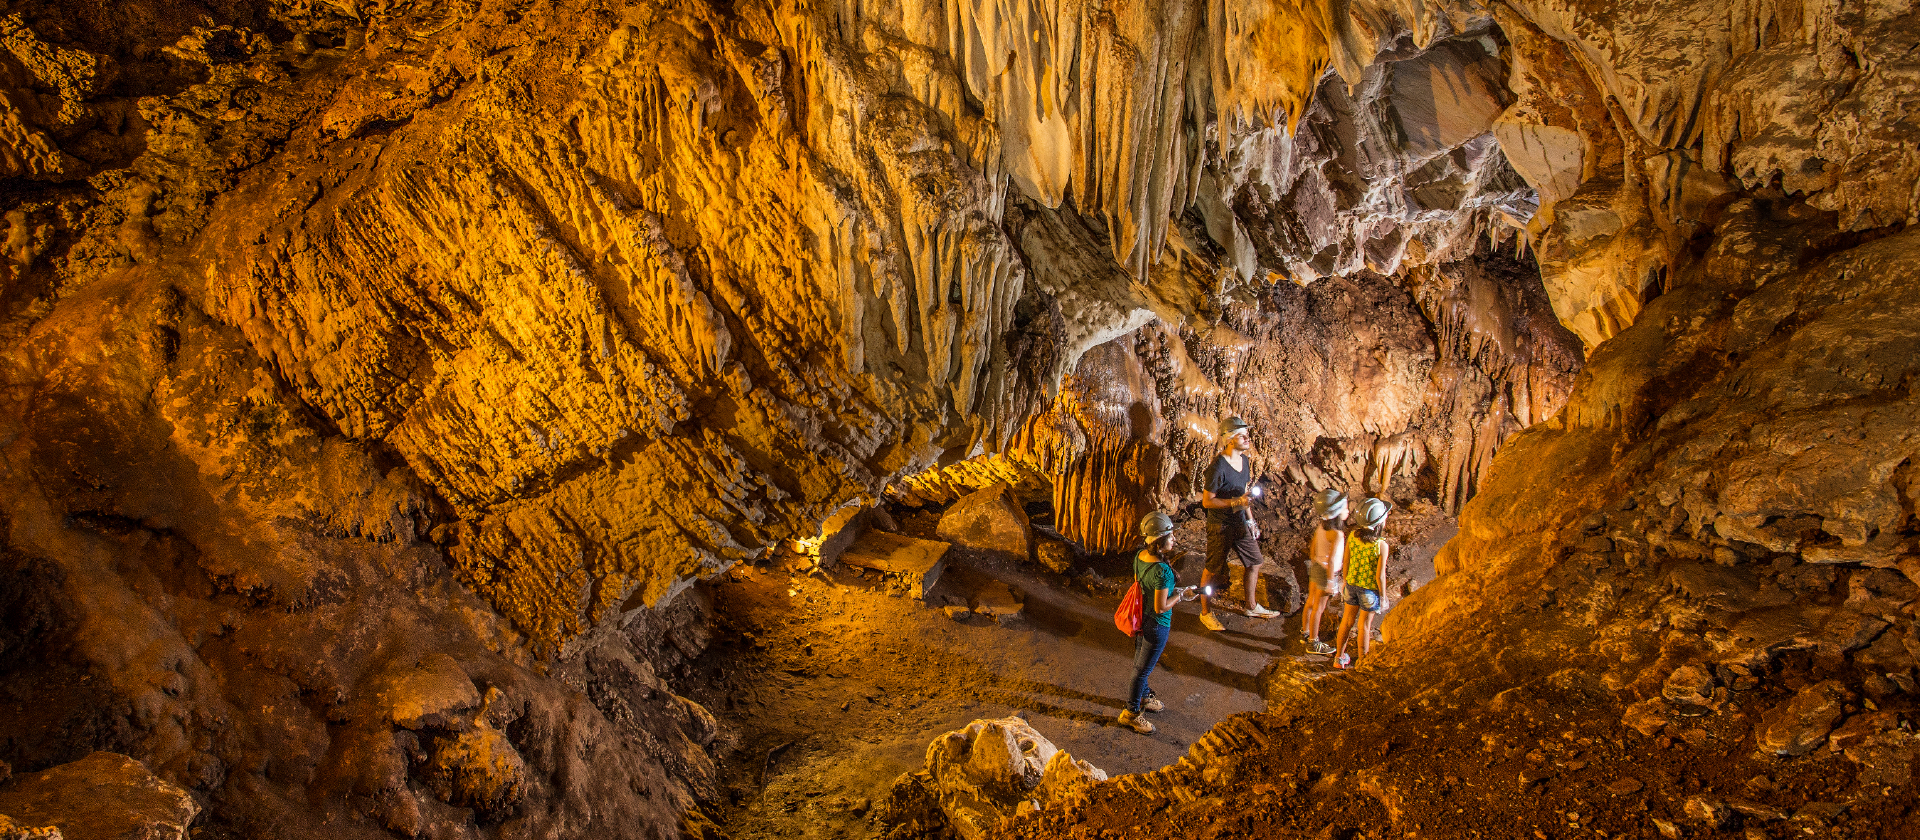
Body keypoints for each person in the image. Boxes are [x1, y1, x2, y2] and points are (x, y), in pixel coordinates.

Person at [1199, 415, 1277, 631]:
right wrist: (1235, 502)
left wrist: (1250, 520)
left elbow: (1244, 494)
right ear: (1230, 439)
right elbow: (1207, 501)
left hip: (1240, 522)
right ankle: (1205, 613)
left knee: (1255, 562)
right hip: (1220, 526)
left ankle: (1251, 606)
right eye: (1242, 435)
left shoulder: (1244, 461)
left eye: (1247, 434)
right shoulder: (1217, 467)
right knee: (1212, 570)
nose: (1247, 438)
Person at [1120, 511, 1193, 734]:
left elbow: (1145, 589)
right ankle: (1131, 713)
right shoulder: (1162, 571)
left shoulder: (1140, 556)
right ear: (1159, 541)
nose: (1174, 539)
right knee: (1141, 671)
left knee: (1140, 665)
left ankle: (1143, 697)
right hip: (1157, 624)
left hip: (1141, 619)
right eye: (1170, 536)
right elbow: (1161, 607)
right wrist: (1181, 595)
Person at [1333, 498, 1392, 669]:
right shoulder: (1381, 545)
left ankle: (1339, 658)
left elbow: (1346, 560)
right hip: (1369, 591)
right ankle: (1362, 662)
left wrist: (1345, 581)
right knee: (1364, 626)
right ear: (1380, 522)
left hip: (1351, 585)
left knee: (1346, 621)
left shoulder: (1353, 536)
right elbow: (1380, 576)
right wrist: (1383, 596)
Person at [1301, 489, 1348, 655]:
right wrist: (1330, 582)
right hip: (1326, 572)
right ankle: (1313, 643)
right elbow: (1333, 560)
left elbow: (1313, 548)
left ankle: (1305, 632)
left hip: (1316, 567)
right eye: (1345, 508)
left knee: (1310, 602)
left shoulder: (1321, 527)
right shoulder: (1337, 534)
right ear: (1337, 513)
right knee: (1318, 608)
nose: (1348, 511)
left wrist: (1316, 563)